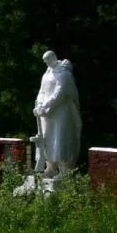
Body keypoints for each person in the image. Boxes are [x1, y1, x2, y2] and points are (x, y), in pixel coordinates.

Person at [33, 51, 81, 179]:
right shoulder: (47, 74)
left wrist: (45, 107)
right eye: (45, 61)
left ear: (54, 57)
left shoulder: (65, 75)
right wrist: (39, 105)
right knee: (47, 138)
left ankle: (64, 170)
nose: (47, 63)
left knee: (60, 138)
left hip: (60, 112)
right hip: (46, 114)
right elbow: (42, 91)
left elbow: (59, 94)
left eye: (48, 60)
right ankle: (50, 168)